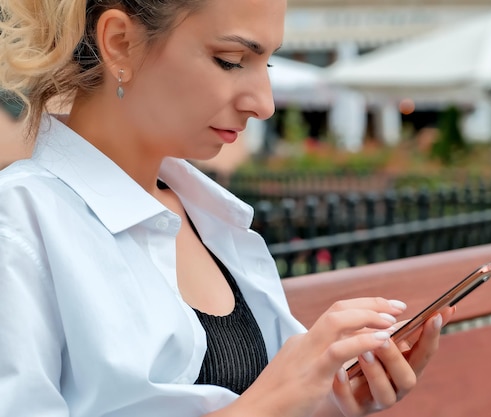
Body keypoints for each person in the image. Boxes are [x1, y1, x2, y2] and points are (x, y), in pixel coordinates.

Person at [0, 1, 454, 417]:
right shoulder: (19, 225)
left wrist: (332, 402)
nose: (265, 104)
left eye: (267, 62)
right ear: (121, 43)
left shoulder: (206, 214)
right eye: (232, 61)